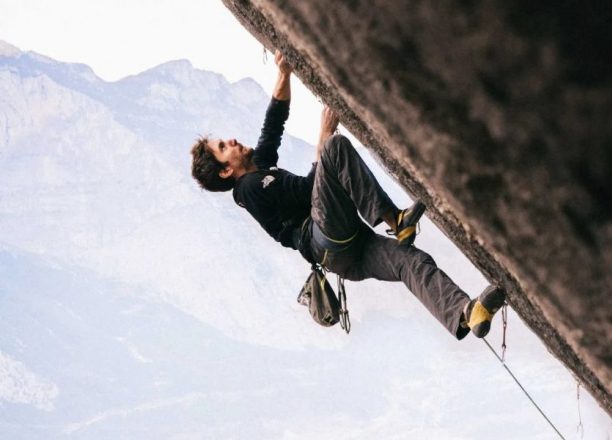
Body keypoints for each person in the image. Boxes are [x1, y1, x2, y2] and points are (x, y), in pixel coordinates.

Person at [189, 52, 505, 340]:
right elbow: (307, 191)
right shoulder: (250, 189)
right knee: (334, 148)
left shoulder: (256, 170)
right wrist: (323, 138)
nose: (230, 140)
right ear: (225, 172)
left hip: (348, 254)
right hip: (323, 238)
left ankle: (466, 312)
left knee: (410, 260)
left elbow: (273, 127)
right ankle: (394, 220)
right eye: (222, 147)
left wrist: (283, 73)